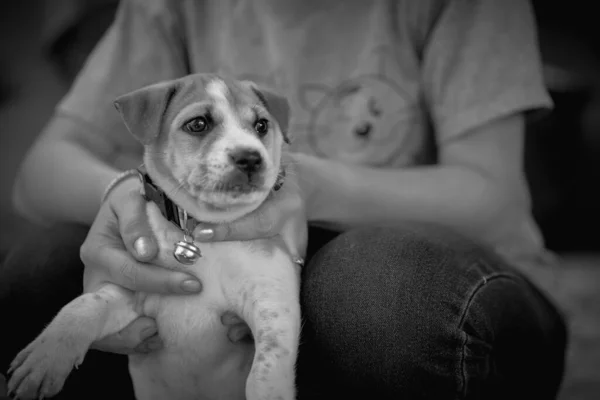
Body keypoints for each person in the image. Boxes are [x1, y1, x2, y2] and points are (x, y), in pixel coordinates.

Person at [1, 0, 567, 399]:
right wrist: (126, 197)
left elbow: (495, 198)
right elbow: (40, 174)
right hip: (215, 269)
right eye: (201, 124)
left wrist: (312, 185)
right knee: (43, 268)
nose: (246, 148)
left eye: (260, 128)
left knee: (379, 295)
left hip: (442, 284)